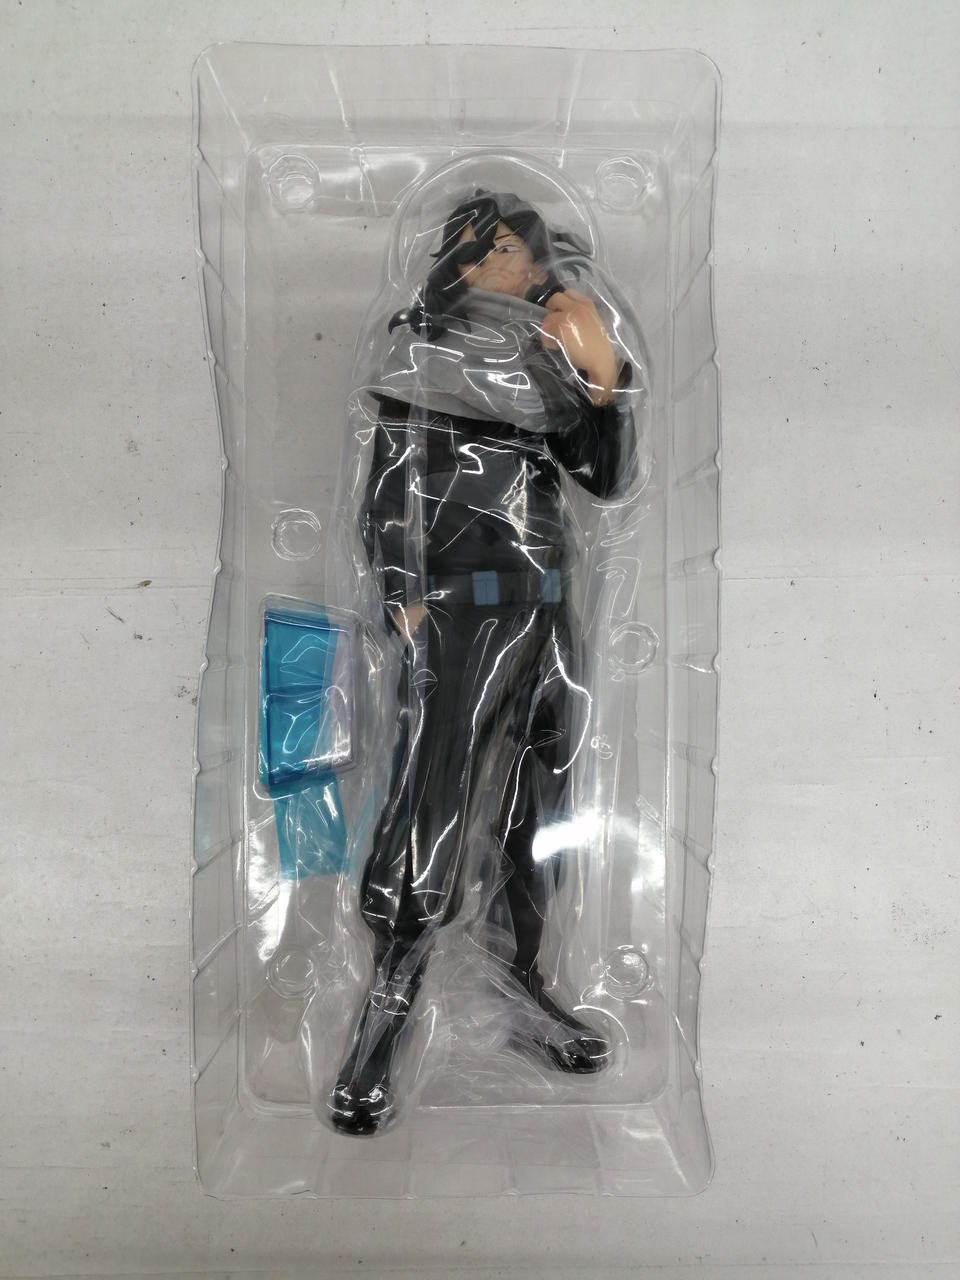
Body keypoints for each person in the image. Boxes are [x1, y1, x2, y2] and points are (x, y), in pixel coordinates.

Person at [330, 190, 641, 1135]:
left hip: (544, 606)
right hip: (459, 612)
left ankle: (523, 986)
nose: (507, 266)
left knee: (537, 805)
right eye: (491, 251)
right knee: (432, 802)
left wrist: (602, 380)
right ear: (459, 263)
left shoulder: (549, 351)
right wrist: (401, 591)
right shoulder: (422, 349)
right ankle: (385, 1014)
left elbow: (605, 477)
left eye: (517, 249)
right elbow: (392, 483)